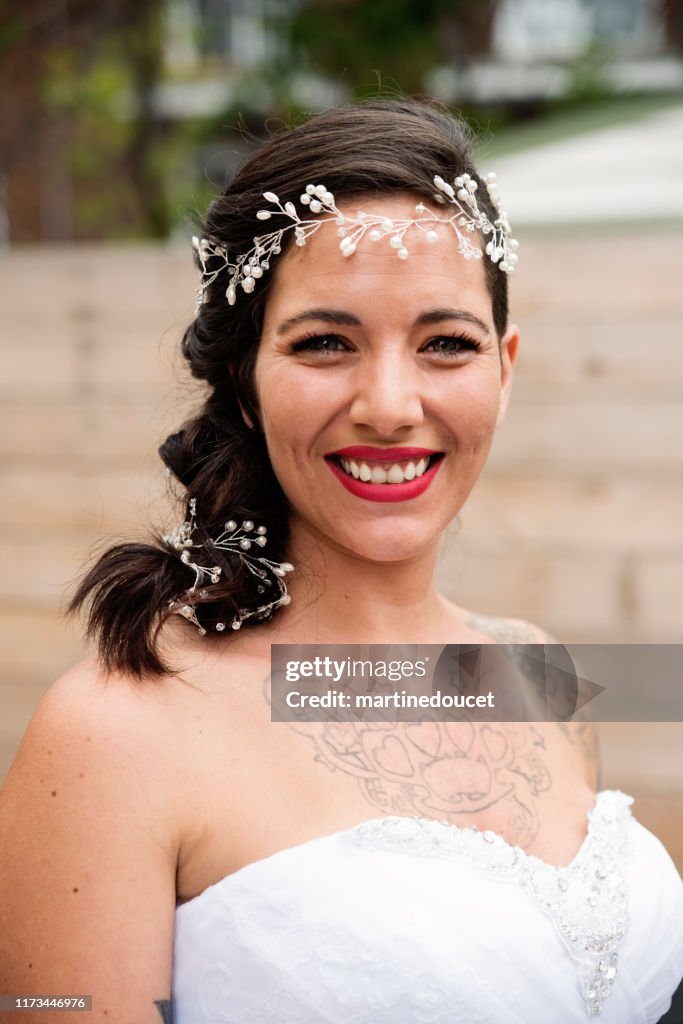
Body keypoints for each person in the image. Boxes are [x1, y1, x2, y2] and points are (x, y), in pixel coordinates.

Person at [0, 99, 681, 1024]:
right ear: (242, 381)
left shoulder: (532, 671)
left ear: (504, 369)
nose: (391, 404)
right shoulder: (116, 735)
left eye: (446, 344)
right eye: (325, 343)